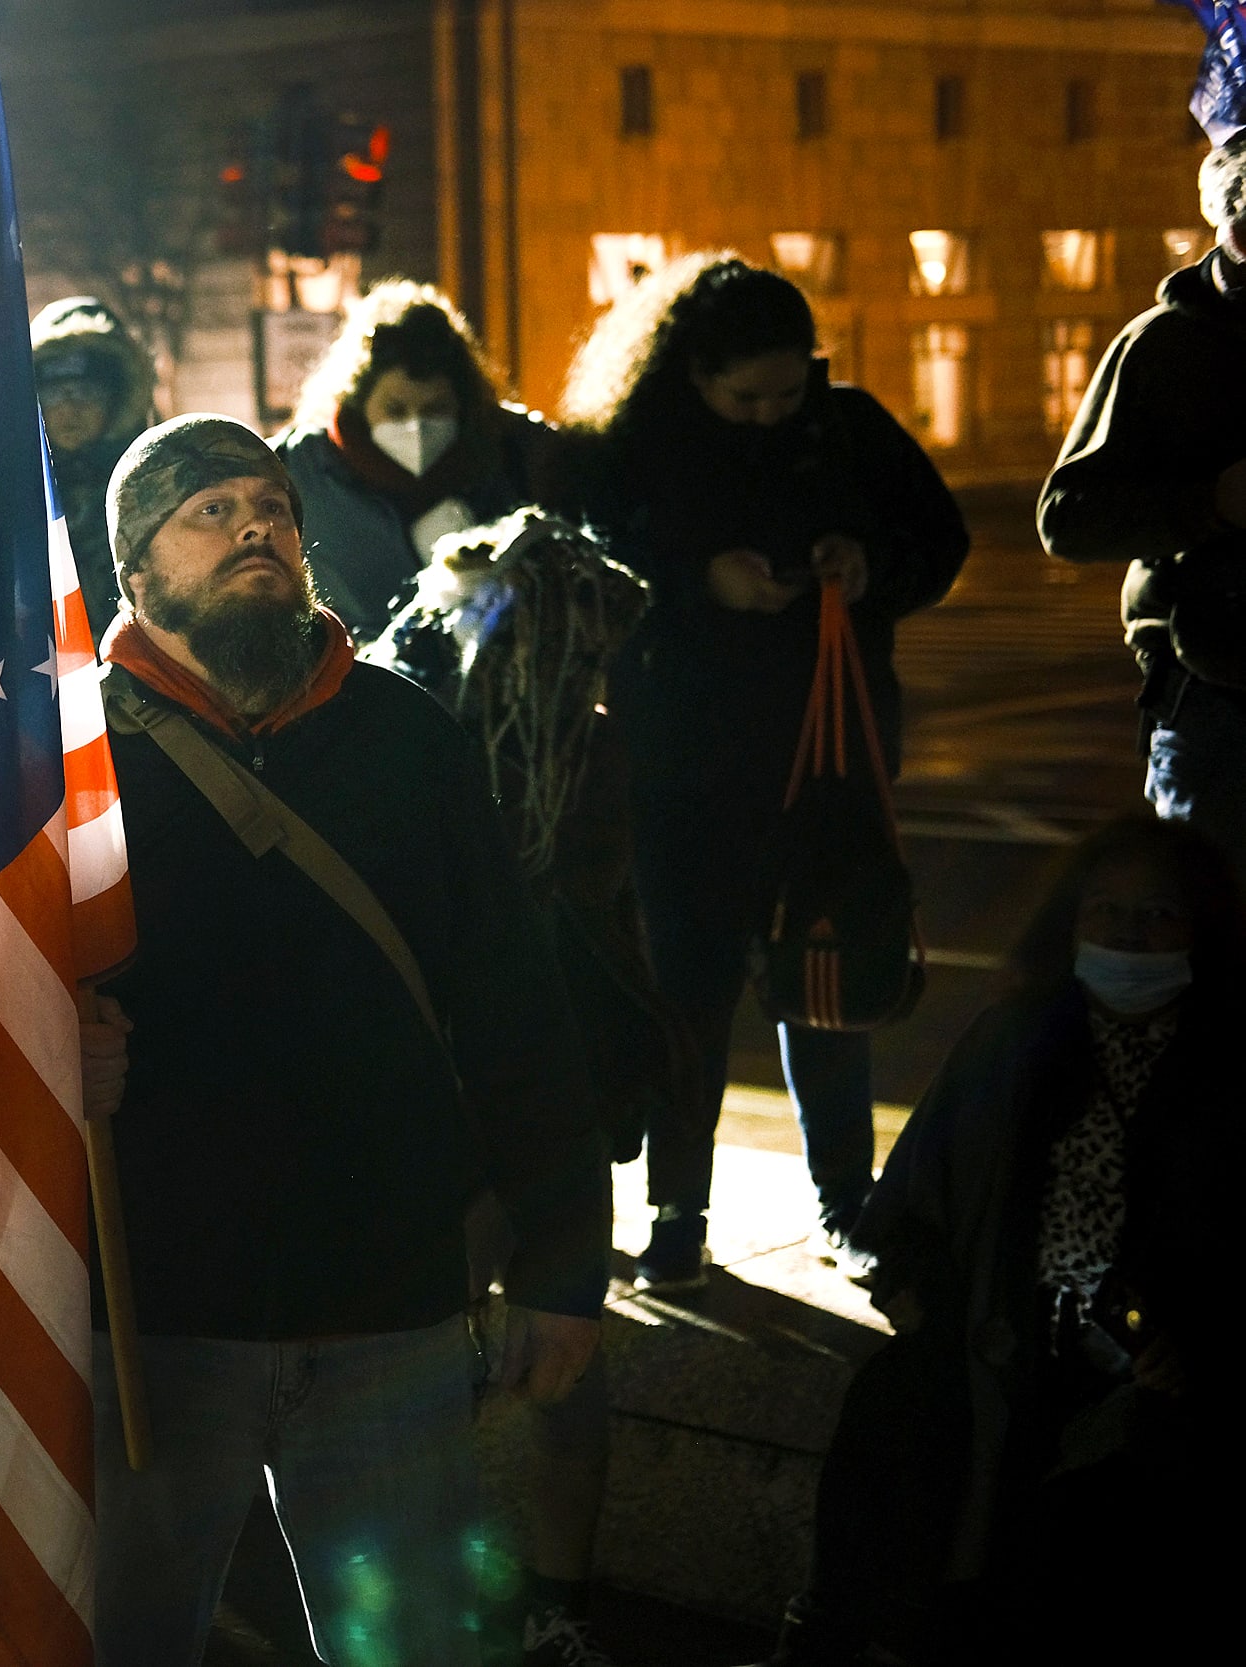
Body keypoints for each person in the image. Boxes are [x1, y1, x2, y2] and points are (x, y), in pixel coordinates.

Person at [82, 416, 609, 1666]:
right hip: (153, 1316)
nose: (256, 526)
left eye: (271, 505)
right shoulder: (63, 752)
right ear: (137, 569)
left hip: (389, 1307)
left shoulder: (403, 735)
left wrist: (561, 1258)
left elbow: (514, 1006)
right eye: (209, 512)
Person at [562, 254, 968, 1288]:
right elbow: (588, 557)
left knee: (823, 972)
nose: (767, 413)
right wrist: (699, 581)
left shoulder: (846, 424)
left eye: (787, 391)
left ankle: (844, 1201)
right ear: (688, 372)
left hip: (825, 747)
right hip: (683, 758)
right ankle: (676, 1213)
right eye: (742, 396)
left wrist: (866, 564)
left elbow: (937, 536)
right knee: (689, 991)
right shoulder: (634, 438)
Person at [749, 816, 1235, 1665]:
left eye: (1157, 915)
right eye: (1107, 912)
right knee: (898, 1419)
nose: (1129, 935)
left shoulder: (1226, 1062)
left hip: (1144, 1369)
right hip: (997, 1334)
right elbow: (906, 1207)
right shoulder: (1016, 1038)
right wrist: (916, 1289)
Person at [373, 510, 691, 1665]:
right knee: (432, 1368)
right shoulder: (418, 729)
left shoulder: (587, 744)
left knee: (558, 1358)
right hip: (448, 1077)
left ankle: (553, 1606)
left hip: (550, 1074)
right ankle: (443, 1599)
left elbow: (597, 910)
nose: (565, 668)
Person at [1039, 135, 1246, 876]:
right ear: (1224, 227)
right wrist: (1210, 504)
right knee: (1209, 925)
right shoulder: (1161, 347)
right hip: (1214, 695)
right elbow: (1067, 515)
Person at [277, 281, 578, 645]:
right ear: (357, 400)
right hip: (356, 689)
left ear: (463, 404)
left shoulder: (519, 452)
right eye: (395, 409)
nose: (416, 426)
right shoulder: (296, 470)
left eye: (435, 409)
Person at [31, 295, 157, 629]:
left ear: (117, 400)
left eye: (87, 393)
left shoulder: (152, 484)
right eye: (56, 394)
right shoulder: (13, 488)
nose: (71, 409)